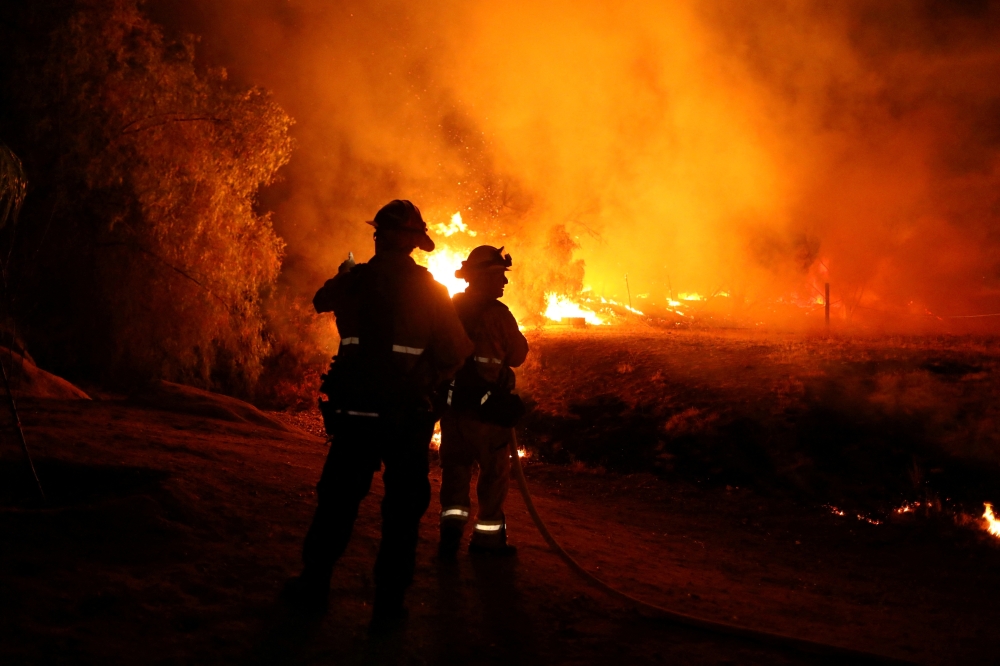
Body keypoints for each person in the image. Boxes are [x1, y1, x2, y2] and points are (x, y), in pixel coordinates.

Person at [285, 200, 473, 627]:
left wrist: (346, 273)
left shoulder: (354, 282)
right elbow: (456, 352)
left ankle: (314, 585)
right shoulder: (430, 290)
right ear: (412, 243)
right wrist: (426, 381)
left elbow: (320, 301)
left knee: (337, 501)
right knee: (403, 511)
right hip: (405, 419)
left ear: (378, 236)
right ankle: (389, 607)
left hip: (353, 415)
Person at [438, 245, 529, 557]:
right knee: (493, 476)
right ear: (484, 277)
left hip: (452, 409)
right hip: (487, 412)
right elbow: (518, 355)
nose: (504, 282)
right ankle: (487, 543)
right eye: (499, 276)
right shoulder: (498, 314)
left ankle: (449, 536)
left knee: (455, 470)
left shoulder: (451, 307)